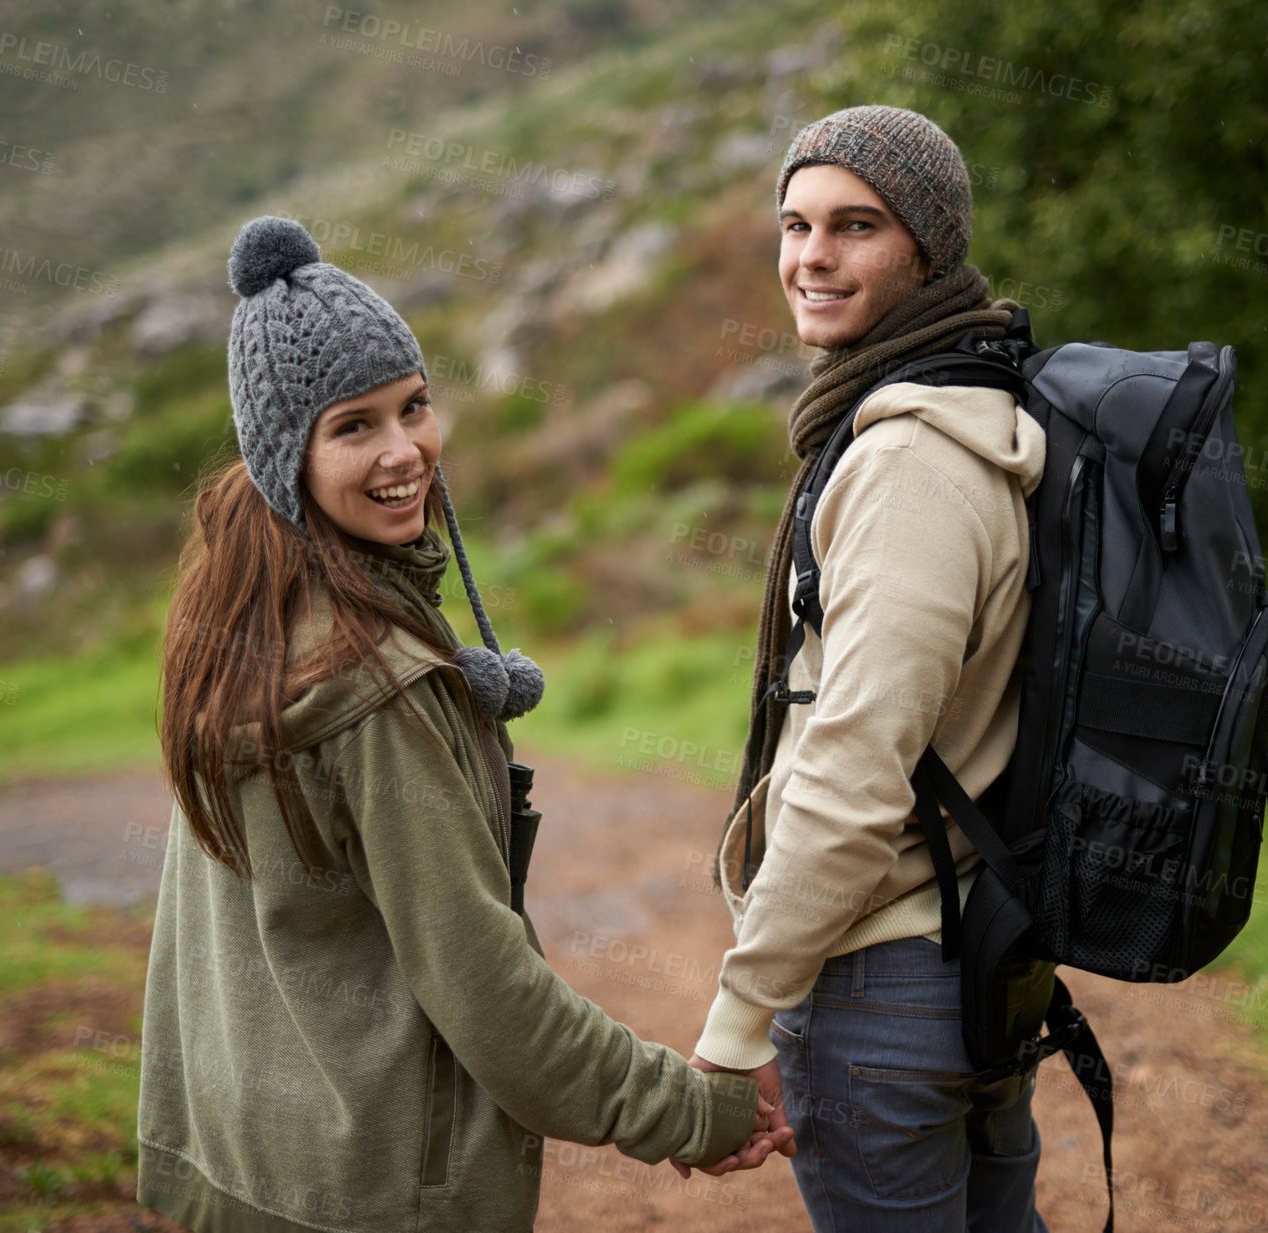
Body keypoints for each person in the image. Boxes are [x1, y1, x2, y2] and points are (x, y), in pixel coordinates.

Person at [138, 215, 787, 1233]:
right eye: (355, 427)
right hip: (377, 1192)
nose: (406, 453)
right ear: (283, 456)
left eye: (415, 407)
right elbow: (487, 991)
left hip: (252, 1162)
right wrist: (692, 1109)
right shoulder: (373, 686)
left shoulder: (242, 615)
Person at [688, 106, 1056, 1231]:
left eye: (856, 227)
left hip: (882, 988)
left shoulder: (904, 465)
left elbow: (854, 771)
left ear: (928, 249)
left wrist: (740, 1022)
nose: (811, 257)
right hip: (978, 955)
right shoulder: (977, 407)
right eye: (795, 225)